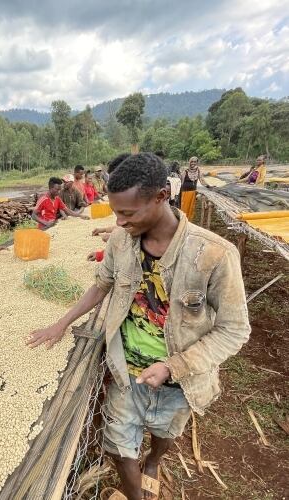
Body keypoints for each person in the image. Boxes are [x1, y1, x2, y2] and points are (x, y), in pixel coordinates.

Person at [27, 153, 250, 500]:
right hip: (126, 368)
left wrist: (173, 366)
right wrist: (61, 323)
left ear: (161, 196)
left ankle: (154, 460)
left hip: (181, 377)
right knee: (119, 447)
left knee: (165, 432)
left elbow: (234, 329)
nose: (120, 222)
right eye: (117, 212)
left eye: (128, 214)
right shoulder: (121, 240)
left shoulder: (214, 254)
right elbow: (101, 285)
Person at [179, 156, 209, 221]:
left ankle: (188, 221)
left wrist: (208, 186)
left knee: (191, 209)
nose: (193, 163)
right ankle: (183, 221)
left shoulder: (198, 171)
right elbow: (181, 182)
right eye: (192, 161)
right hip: (185, 192)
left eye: (195, 162)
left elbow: (202, 180)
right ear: (189, 162)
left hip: (193, 192)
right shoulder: (185, 171)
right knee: (184, 208)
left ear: (197, 163)